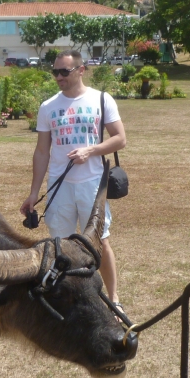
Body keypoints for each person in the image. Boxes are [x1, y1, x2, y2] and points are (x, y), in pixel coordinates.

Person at [20, 49, 126, 305]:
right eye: (55, 71)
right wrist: (34, 193)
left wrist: (91, 150)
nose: (58, 76)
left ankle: (113, 299)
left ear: (81, 70)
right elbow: (42, 151)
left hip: (91, 184)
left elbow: (120, 139)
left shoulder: (101, 99)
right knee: (60, 246)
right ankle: (68, 299)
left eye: (64, 71)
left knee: (100, 242)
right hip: (60, 187)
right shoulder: (48, 107)